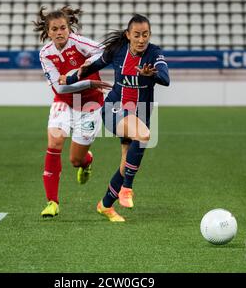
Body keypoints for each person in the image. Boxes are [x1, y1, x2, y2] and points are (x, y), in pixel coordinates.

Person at [63, 14, 170, 222]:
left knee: (125, 163)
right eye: (137, 35)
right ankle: (127, 189)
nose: (141, 39)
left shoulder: (154, 53)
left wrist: (152, 75)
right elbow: (92, 67)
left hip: (141, 113)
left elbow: (166, 79)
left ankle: (104, 205)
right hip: (115, 108)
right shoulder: (117, 51)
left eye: (145, 35)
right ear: (128, 35)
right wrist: (69, 78)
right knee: (144, 135)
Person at [33, 6, 112, 218]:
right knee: (55, 142)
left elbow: (105, 52)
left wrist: (89, 64)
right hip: (64, 101)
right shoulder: (45, 54)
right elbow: (59, 88)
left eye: (63, 28)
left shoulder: (80, 43)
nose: (60, 32)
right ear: (48, 32)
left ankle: (86, 162)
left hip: (90, 104)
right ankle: (52, 202)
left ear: (70, 29)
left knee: (75, 160)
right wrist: (89, 81)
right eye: (55, 29)